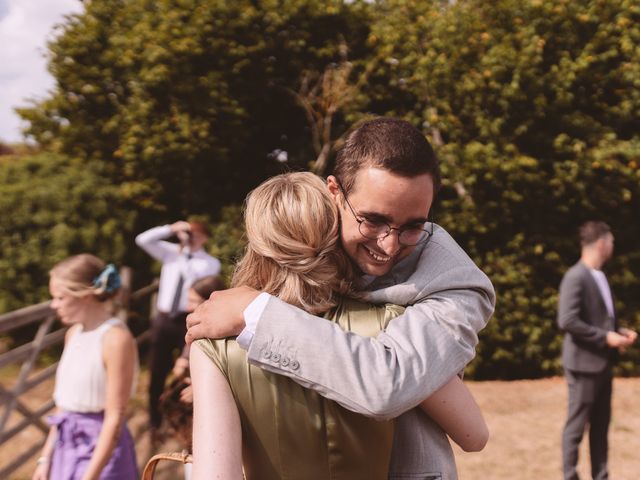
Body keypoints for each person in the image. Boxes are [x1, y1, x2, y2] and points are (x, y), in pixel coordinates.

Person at [186, 117, 496, 476]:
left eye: (413, 226)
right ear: (333, 194)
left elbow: (387, 384)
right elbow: (473, 433)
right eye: (373, 220)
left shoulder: (455, 286)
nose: (389, 244)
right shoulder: (389, 321)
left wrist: (255, 312)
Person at [33, 254, 138, 480]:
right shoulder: (73, 334)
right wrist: (45, 458)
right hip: (66, 445)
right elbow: (63, 406)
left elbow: (115, 415)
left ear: (86, 295)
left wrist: (90, 476)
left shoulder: (116, 339)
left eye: (60, 297)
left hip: (100, 450)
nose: (54, 305)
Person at [557, 221, 637, 480]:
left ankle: (600, 476)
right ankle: (570, 476)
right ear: (601, 243)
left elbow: (598, 319)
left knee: (601, 428)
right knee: (576, 428)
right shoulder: (575, 276)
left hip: (603, 365)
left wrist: (619, 332)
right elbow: (567, 320)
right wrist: (605, 337)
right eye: (611, 241)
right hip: (583, 365)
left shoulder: (599, 275)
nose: (613, 246)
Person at [135, 220, 221, 441]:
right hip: (163, 319)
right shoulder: (170, 252)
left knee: (187, 370)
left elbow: (196, 283)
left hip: (188, 318)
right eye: (189, 232)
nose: (192, 237)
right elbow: (142, 240)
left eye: (196, 234)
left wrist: (185, 253)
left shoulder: (210, 263)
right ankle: (155, 421)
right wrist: (171, 229)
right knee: (157, 372)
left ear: (205, 238)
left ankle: (182, 419)